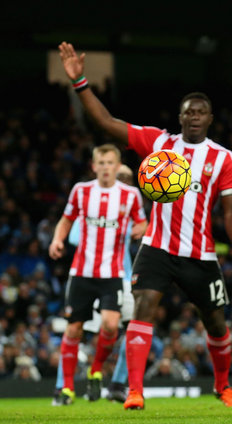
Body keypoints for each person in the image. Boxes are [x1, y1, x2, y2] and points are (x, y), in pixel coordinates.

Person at [58, 42, 232, 410]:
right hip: (157, 247)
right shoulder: (159, 143)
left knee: (216, 325)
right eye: (188, 112)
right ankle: (134, 391)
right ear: (180, 117)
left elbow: (230, 210)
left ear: (210, 119)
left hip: (201, 254)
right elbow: (106, 123)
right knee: (143, 308)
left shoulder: (223, 158)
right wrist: (80, 81)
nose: (194, 116)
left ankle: (223, 386)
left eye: (201, 112)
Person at [49, 145, 147, 406]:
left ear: (117, 166)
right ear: (94, 166)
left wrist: (140, 228)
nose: (105, 167)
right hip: (81, 273)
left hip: (113, 274)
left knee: (111, 326)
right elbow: (66, 219)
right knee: (73, 329)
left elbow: (142, 221)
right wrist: (57, 240)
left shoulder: (130, 195)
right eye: (101, 162)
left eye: (110, 162)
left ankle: (95, 370)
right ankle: (66, 389)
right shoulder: (81, 192)